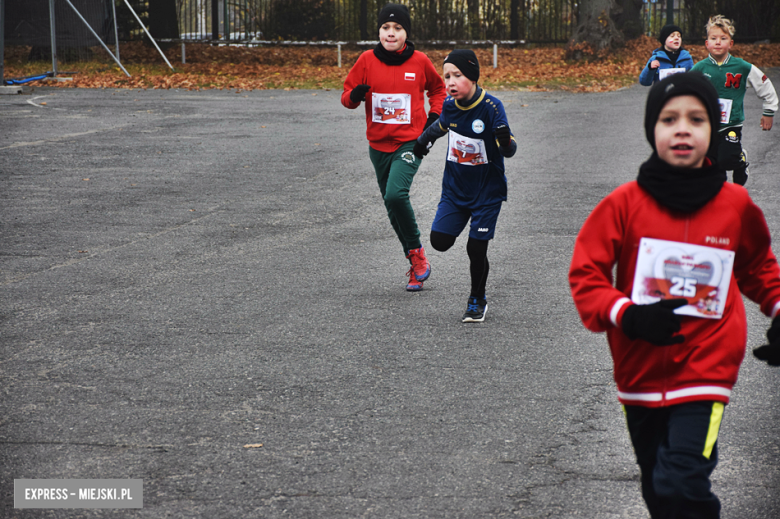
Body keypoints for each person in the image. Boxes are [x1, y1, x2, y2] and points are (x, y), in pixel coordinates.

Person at [569, 72, 780, 519]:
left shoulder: (735, 206)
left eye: (696, 119)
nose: (682, 128)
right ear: (653, 130)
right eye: (669, 119)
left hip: (707, 369)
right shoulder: (623, 204)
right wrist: (627, 314)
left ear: (711, 130)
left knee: (681, 482)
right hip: (639, 372)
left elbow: (759, 266)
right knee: (658, 490)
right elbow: (586, 275)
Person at [341, 3, 446, 291]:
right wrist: (355, 96)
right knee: (392, 205)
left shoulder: (420, 61)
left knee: (396, 194)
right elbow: (346, 96)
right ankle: (415, 262)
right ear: (379, 31)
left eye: (397, 28)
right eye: (386, 28)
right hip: (377, 146)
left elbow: (437, 89)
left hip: (409, 142)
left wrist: (434, 118)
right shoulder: (365, 60)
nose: (391, 33)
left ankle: (418, 255)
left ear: (406, 33)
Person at [413, 50, 516, 322]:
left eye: (457, 75)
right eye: (447, 76)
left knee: (476, 248)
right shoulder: (449, 105)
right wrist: (423, 142)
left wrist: (504, 142)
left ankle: (477, 299)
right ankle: (475, 290)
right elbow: (440, 126)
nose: (450, 82)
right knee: (440, 241)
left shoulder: (492, 107)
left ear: (471, 76)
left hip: (487, 192)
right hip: (455, 191)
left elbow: (510, 150)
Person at [691, 15, 778, 186]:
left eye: (723, 38)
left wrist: (769, 111)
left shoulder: (742, 67)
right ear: (706, 43)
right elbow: (684, 90)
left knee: (727, 158)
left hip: (731, 124)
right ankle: (720, 193)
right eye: (713, 38)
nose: (718, 42)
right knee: (711, 163)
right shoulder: (699, 68)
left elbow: (765, 86)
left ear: (730, 44)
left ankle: (740, 161)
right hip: (707, 125)